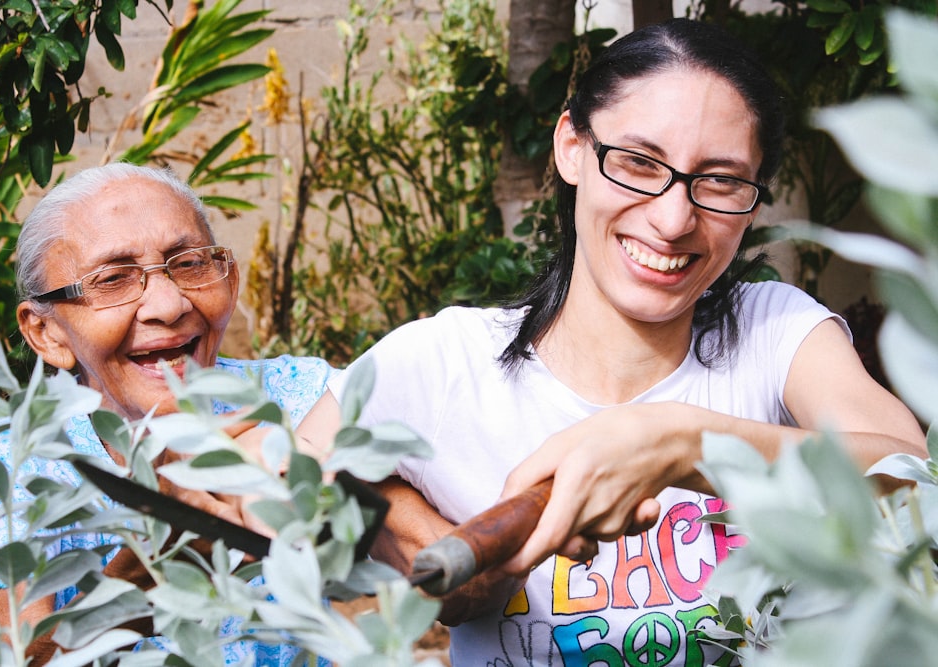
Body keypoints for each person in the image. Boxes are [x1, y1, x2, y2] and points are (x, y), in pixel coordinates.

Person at [296, 18, 928, 666]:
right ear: (571, 146)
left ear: (756, 196)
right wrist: (418, 533)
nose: (673, 218)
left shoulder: (773, 331)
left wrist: (680, 442)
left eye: (720, 181)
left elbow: (911, 473)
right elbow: (273, 479)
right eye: (637, 162)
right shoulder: (447, 362)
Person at [0, 163, 335, 665]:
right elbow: (16, 657)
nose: (169, 303)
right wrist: (145, 574)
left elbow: (428, 551)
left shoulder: (301, 397)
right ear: (48, 334)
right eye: (113, 279)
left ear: (231, 279)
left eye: (190, 263)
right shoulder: (13, 465)